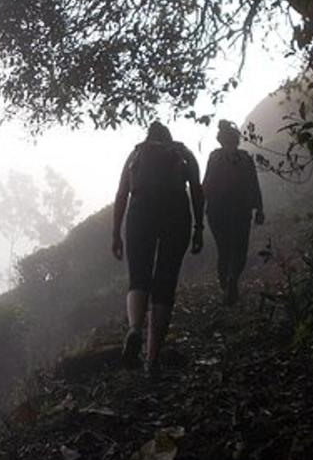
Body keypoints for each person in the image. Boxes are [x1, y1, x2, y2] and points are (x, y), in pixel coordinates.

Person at [111, 121, 204, 374]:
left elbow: (121, 194)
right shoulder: (183, 154)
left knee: (138, 278)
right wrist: (199, 228)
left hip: (140, 212)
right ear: (170, 138)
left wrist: (116, 234)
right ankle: (152, 360)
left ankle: (134, 329)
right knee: (165, 283)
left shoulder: (136, 153)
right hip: (176, 213)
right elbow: (197, 190)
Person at [202, 120, 265, 305]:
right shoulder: (245, 158)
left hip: (216, 212)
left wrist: (199, 212)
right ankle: (232, 279)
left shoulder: (214, 158)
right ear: (237, 139)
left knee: (224, 250)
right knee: (239, 250)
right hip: (241, 210)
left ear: (220, 140)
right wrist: (259, 209)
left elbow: (206, 185)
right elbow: (254, 185)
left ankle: (227, 285)